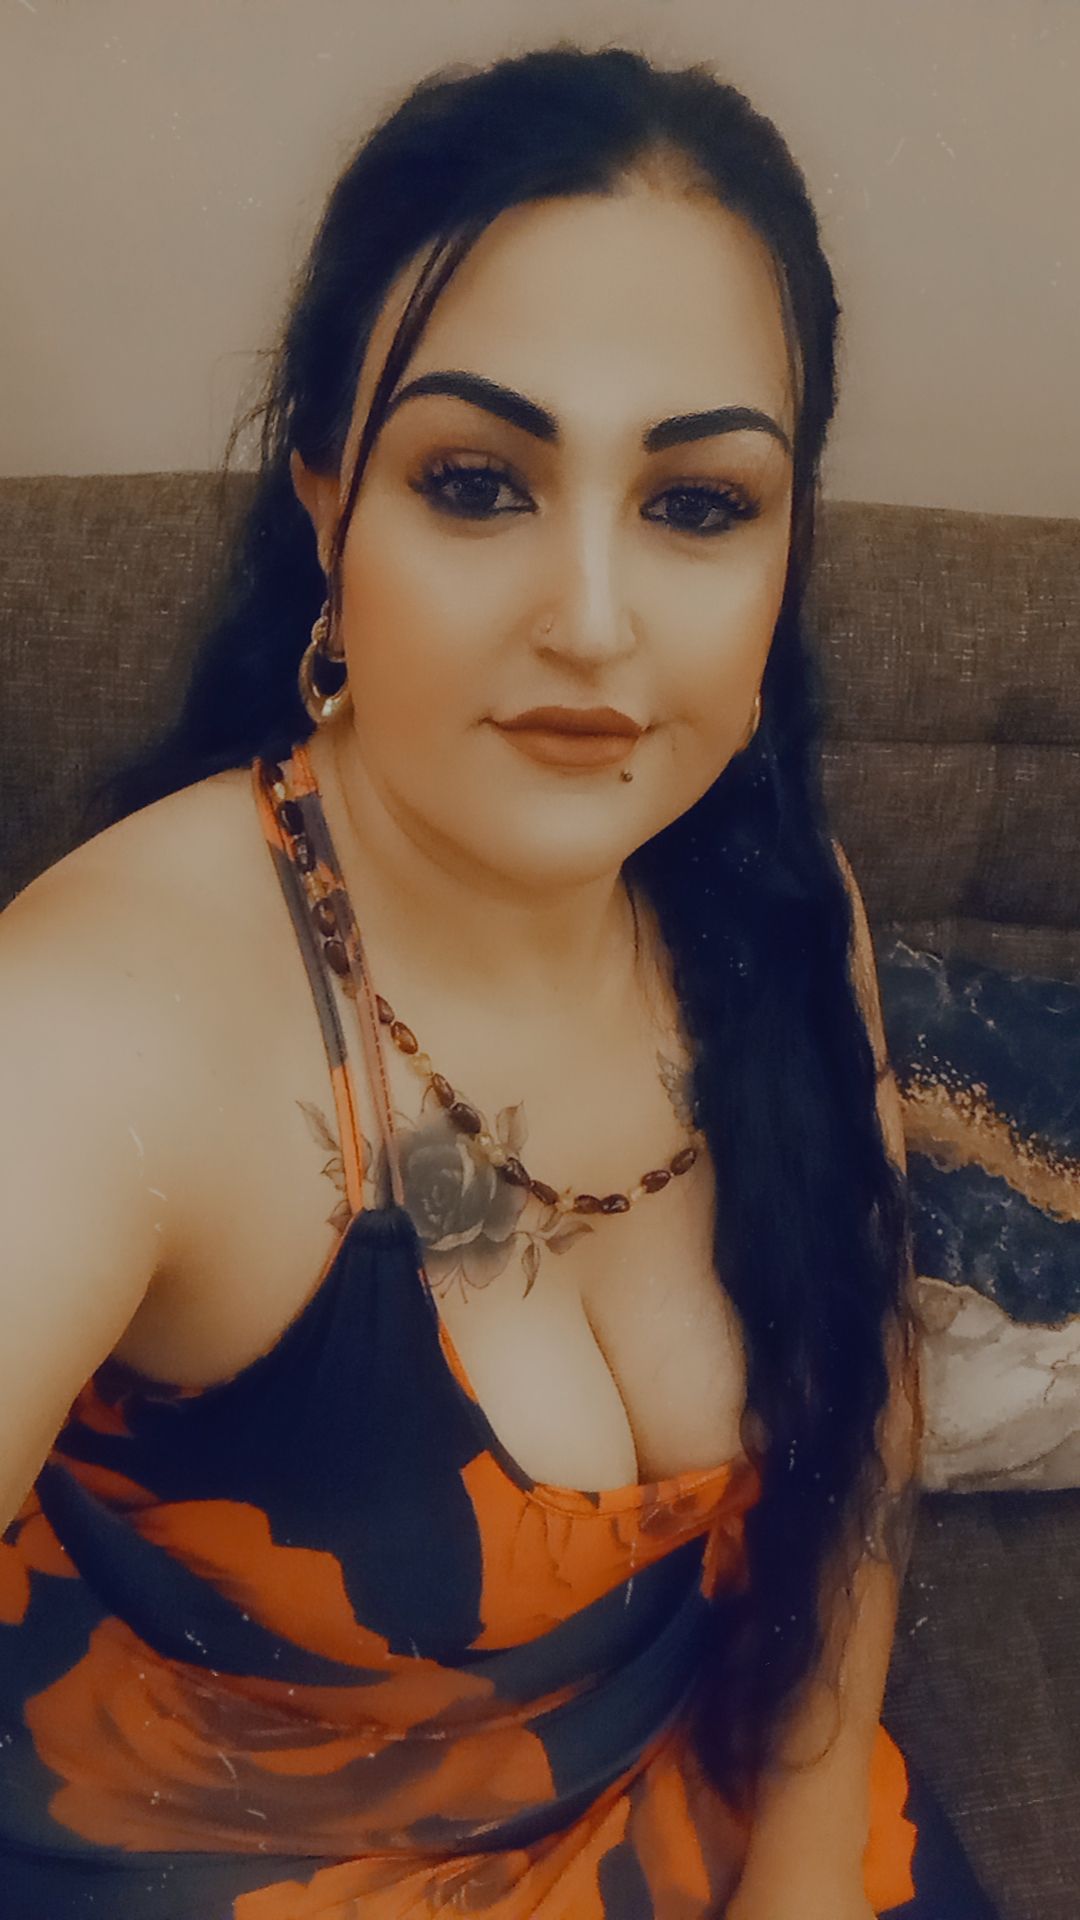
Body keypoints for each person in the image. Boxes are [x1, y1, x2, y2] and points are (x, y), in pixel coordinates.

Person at [0, 40, 1000, 1920]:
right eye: (476, 482)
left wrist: (799, 1879)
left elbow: (853, 1425)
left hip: (692, 1818)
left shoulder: (787, 913)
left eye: (698, 503)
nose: (594, 621)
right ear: (325, 502)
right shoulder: (97, 1032)